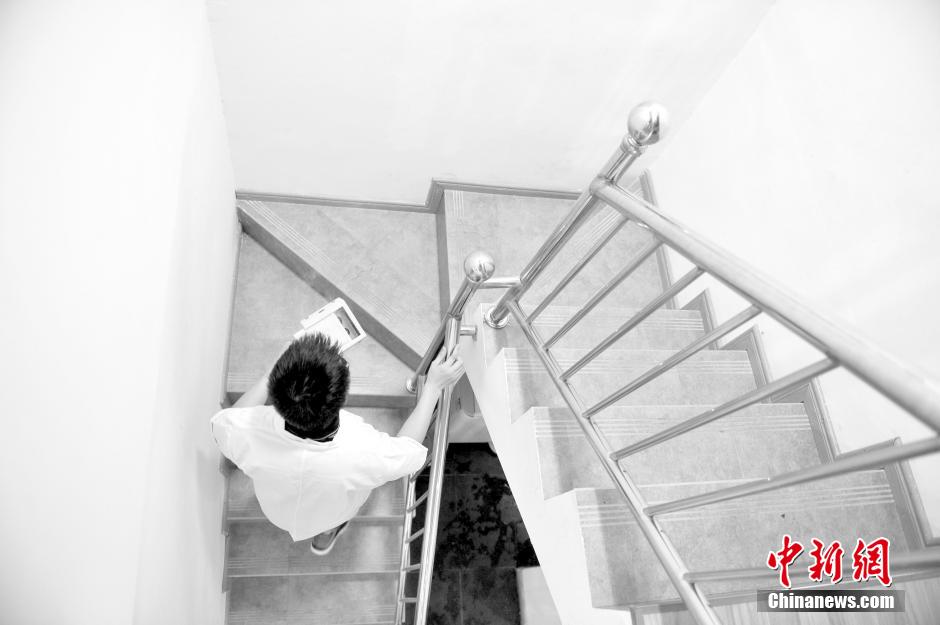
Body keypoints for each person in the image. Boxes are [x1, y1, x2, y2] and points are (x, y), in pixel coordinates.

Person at [210, 333, 464, 555]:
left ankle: (325, 533)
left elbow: (226, 420)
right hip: (332, 513)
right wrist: (433, 387)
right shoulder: (362, 449)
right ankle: (326, 535)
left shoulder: (251, 428)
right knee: (332, 519)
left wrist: (271, 374)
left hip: (275, 510)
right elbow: (406, 449)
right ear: (341, 399)